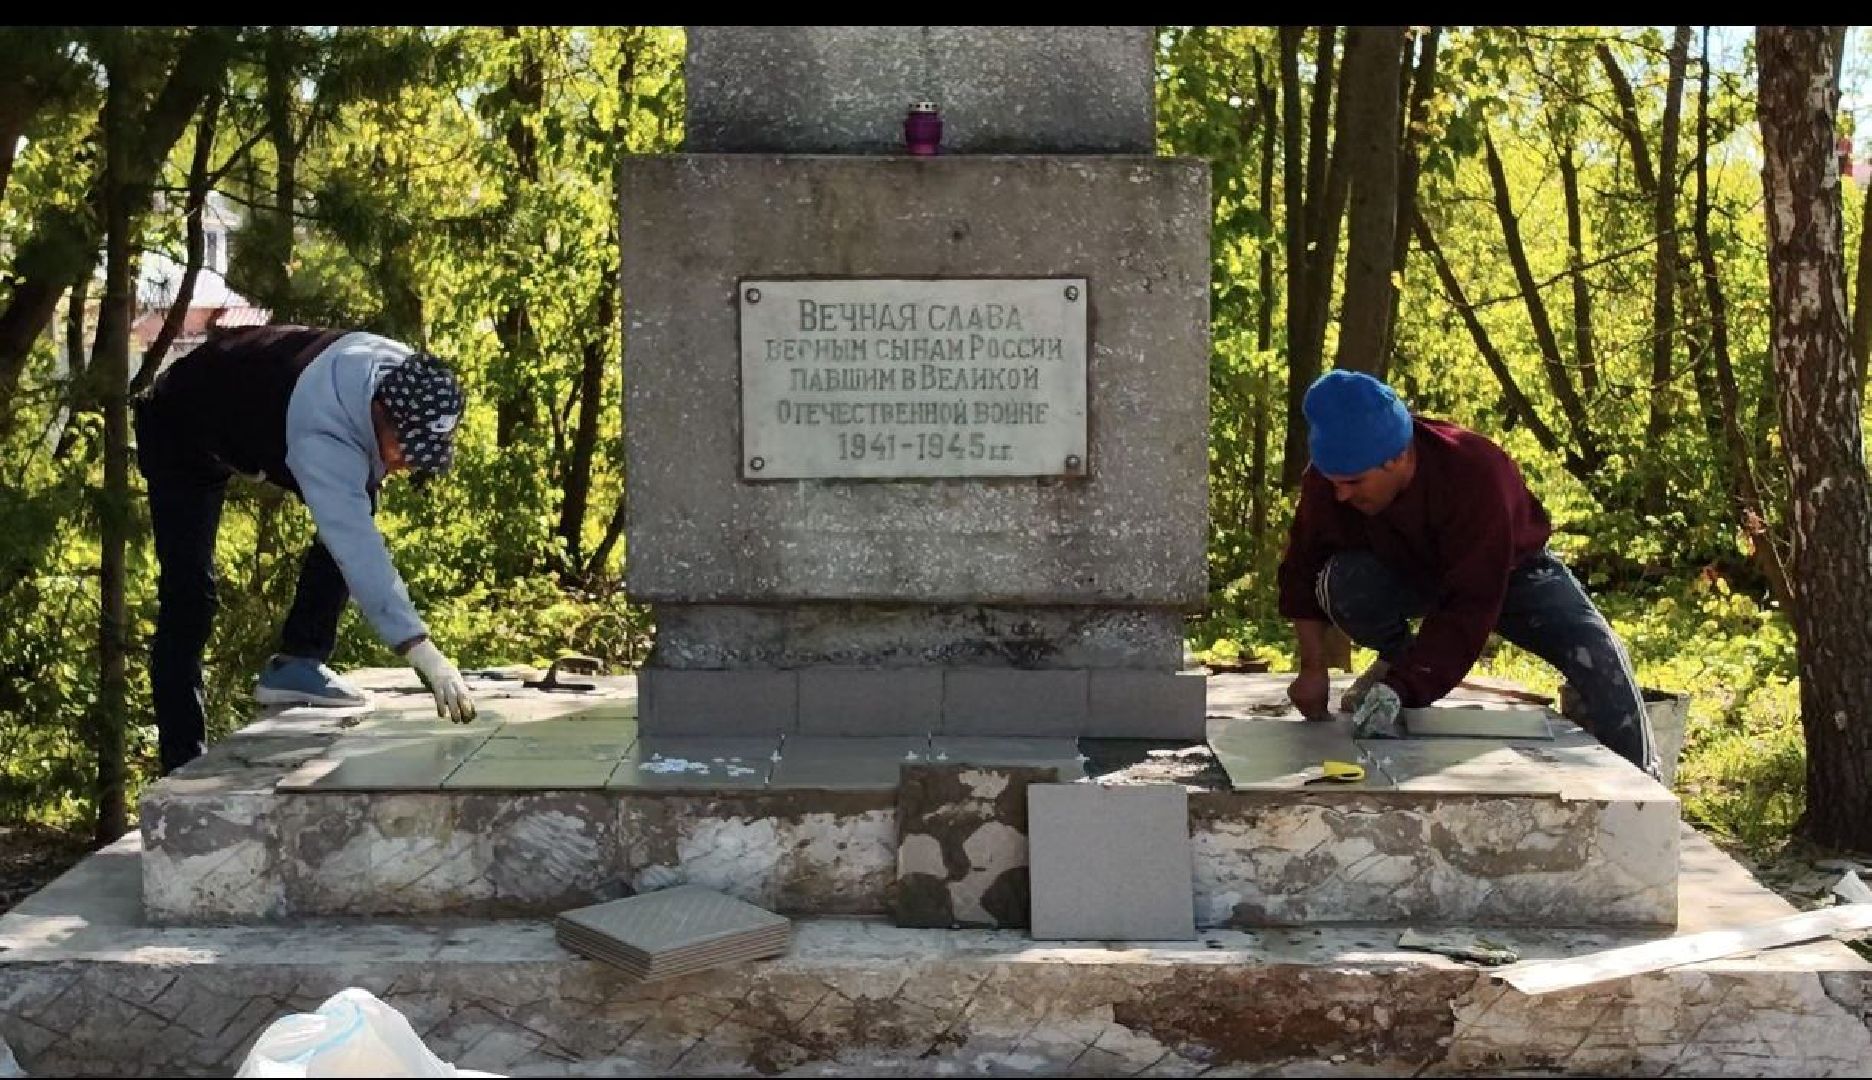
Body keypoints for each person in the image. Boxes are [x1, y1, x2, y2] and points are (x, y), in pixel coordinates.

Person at [134, 325, 478, 775]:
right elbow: (356, 549)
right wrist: (420, 649)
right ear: (379, 413)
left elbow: (356, 523)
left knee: (359, 504)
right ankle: (183, 766)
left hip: (253, 403)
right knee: (190, 596)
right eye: (405, 450)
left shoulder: (403, 373)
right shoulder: (324, 434)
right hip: (179, 425)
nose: (406, 464)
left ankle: (297, 663)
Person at [1277, 369, 1657, 775]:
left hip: (1510, 570)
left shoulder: (1476, 473)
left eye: (1354, 482)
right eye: (1333, 482)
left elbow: (1469, 606)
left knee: (1598, 653)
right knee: (1341, 582)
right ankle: (1398, 658)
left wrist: (1408, 690)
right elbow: (1302, 568)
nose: (1341, 495)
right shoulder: (1329, 479)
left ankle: (1640, 784)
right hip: (1405, 569)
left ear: (1399, 457)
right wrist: (1312, 668)